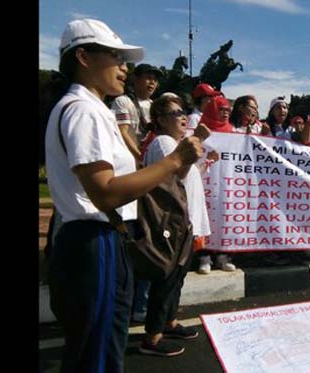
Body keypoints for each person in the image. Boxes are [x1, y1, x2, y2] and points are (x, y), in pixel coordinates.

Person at [45, 19, 203, 372]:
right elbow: (104, 192)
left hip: (100, 239)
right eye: (115, 57)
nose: (125, 68)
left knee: (101, 345)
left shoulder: (91, 108)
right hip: (93, 239)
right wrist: (175, 161)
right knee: (97, 354)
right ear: (83, 57)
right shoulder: (83, 110)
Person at [138, 95, 208, 356]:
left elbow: (187, 177)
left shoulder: (174, 143)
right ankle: (153, 337)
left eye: (183, 112)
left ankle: (169, 321)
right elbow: (175, 173)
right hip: (173, 221)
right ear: (159, 120)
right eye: (175, 113)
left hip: (184, 220)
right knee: (166, 277)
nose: (182, 117)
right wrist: (197, 138)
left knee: (177, 276)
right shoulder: (164, 142)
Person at [197, 95, 237, 272]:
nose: (226, 113)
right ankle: (204, 258)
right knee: (205, 219)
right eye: (222, 110)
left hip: (225, 181)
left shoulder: (232, 131)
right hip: (205, 180)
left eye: (228, 110)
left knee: (223, 217)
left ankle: (223, 256)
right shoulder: (202, 130)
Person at [111, 63, 163, 161]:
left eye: (155, 80)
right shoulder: (123, 101)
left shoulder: (155, 105)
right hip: (129, 159)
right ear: (135, 79)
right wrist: (141, 158)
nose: (152, 82)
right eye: (148, 78)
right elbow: (122, 132)